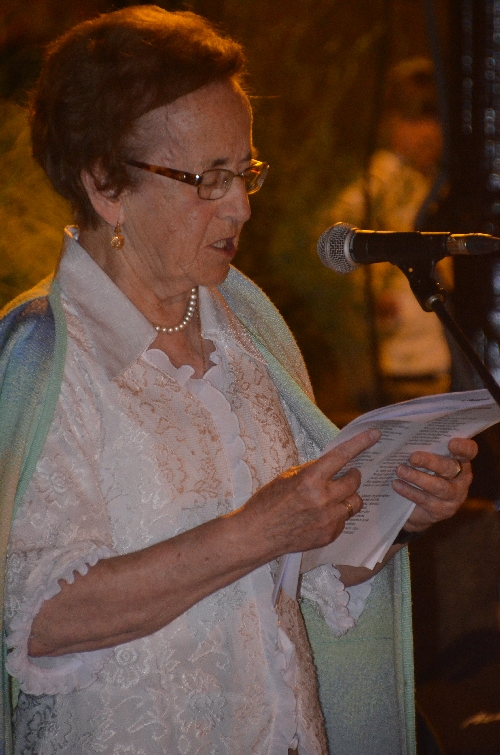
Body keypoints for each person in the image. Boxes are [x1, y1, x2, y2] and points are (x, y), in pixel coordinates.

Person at [0, 9, 476, 755]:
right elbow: (33, 618)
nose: (242, 206)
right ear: (105, 183)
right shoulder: (44, 355)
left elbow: (302, 569)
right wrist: (257, 530)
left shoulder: (247, 329)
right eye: (210, 179)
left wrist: (392, 509)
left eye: (246, 172)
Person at [331, 57, 452, 405]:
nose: (427, 132)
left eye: (435, 119)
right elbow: (334, 237)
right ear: (389, 122)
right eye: (413, 119)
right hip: (395, 362)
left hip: (434, 359)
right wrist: (367, 295)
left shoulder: (436, 182)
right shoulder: (381, 180)